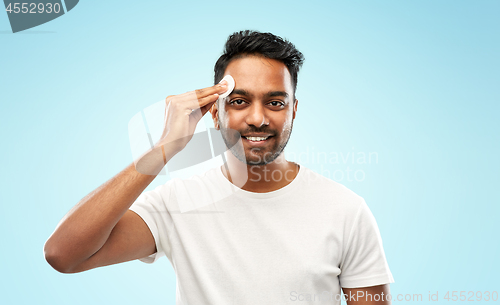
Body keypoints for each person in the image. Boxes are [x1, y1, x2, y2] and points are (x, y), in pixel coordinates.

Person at [44, 30, 395, 304]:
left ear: (293, 110)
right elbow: (63, 255)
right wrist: (164, 149)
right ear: (215, 111)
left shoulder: (347, 210)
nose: (257, 118)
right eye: (239, 101)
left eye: (275, 102)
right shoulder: (177, 203)